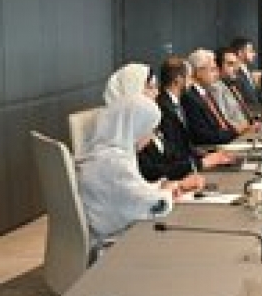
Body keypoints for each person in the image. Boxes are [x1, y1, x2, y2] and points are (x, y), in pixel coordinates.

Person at [77, 95, 185, 248]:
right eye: (150, 130)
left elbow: (129, 192)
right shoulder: (115, 162)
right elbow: (152, 206)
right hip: (114, 241)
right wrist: (167, 192)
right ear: (134, 127)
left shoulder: (103, 152)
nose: (151, 137)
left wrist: (160, 186)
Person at [139, 56, 233, 180]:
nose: (192, 82)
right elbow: (165, 159)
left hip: (182, 170)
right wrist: (200, 162)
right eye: (151, 87)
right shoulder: (162, 108)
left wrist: (204, 156)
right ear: (178, 79)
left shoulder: (178, 103)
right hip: (174, 176)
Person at [182, 48, 241, 145]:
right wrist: (236, 132)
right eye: (212, 70)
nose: (217, 74)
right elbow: (202, 135)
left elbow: (222, 122)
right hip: (211, 148)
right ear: (198, 72)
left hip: (226, 141)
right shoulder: (189, 97)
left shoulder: (205, 93)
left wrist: (237, 131)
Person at [213, 47, 256, 130]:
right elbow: (224, 120)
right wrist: (246, 127)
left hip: (250, 128)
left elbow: (244, 111)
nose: (236, 68)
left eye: (236, 64)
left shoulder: (231, 85)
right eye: (230, 64)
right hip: (239, 133)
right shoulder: (215, 88)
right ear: (218, 67)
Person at [228, 36, 262, 116]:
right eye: (250, 51)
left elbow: (258, 96)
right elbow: (242, 104)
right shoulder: (234, 74)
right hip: (252, 117)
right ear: (240, 53)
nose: (254, 54)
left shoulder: (248, 71)